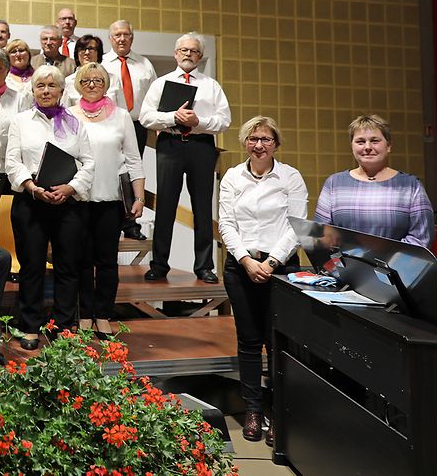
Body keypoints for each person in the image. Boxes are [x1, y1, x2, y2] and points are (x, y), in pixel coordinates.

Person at [218, 116, 308, 446]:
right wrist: (246, 260)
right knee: (249, 342)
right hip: (240, 268)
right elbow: (226, 224)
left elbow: (297, 225)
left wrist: (270, 263)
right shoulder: (232, 177)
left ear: (276, 144)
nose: (259, 145)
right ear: (245, 142)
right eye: (253, 138)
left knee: (278, 342)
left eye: (266, 139)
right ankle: (253, 411)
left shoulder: (290, 177)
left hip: (280, 269)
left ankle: (280, 412)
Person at [5, 65, 94, 349]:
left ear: (62, 90)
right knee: (31, 267)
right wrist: (31, 187)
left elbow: (89, 162)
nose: (46, 91)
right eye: (40, 86)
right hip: (31, 200)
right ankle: (29, 326)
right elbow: (12, 161)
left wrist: (71, 188)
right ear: (32, 91)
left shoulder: (75, 123)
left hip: (68, 202)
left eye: (51, 85)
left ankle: (63, 327)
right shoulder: (20, 121)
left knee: (68, 267)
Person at [139, 33, 231, 283]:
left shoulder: (211, 85)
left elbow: (224, 120)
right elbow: (146, 117)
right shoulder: (161, 83)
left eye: (194, 51)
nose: (188, 54)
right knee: (165, 206)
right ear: (175, 54)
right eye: (184, 50)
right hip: (170, 144)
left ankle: (204, 267)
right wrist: (173, 117)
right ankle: (159, 265)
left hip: (201, 146)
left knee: (202, 207)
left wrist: (198, 121)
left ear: (200, 56)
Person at [70, 63, 143, 336]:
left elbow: (134, 160)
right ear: (78, 85)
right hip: (77, 199)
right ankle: (84, 314)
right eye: (86, 80)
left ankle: (103, 314)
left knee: (107, 263)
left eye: (98, 80)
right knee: (81, 262)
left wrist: (139, 196)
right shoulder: (69, 114)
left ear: (106, 84)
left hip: (111, 200)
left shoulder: (121, 116)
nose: (92, 84)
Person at [314, 114, 434, 247]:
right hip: (344, 261)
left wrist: (385, 258)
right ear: (352, 146)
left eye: (375, 141)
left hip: (396, 261)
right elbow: (321, 235)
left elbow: (421, 238)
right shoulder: (334, 184)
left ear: (389, 145)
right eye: (360, 142)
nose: (367, 147)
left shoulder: (411, 185)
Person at [107, 20, 157, 240]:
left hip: (137, 125)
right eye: (117, 35)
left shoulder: (145, 64)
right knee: (112, 171)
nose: (121, 38)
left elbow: (155, 97)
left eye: (125, 34)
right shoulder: (103, 63)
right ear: (111, 38)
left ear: (132, 38)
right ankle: (110, 220)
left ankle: (130, 223)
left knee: (132, 172)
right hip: (110, 124)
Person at [0, 47, 28, 173]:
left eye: (0, 68)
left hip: (11, 166)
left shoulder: (19, 98)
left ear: (7, 70)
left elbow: (24, 132)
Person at [62, 35, 122, 107]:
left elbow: (122, 109)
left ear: (98, 53)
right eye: (82, 49)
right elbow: (65, 111)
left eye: (91, 49)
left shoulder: (113, 79)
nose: (87, 52)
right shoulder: (69, 81)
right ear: (77, 53)